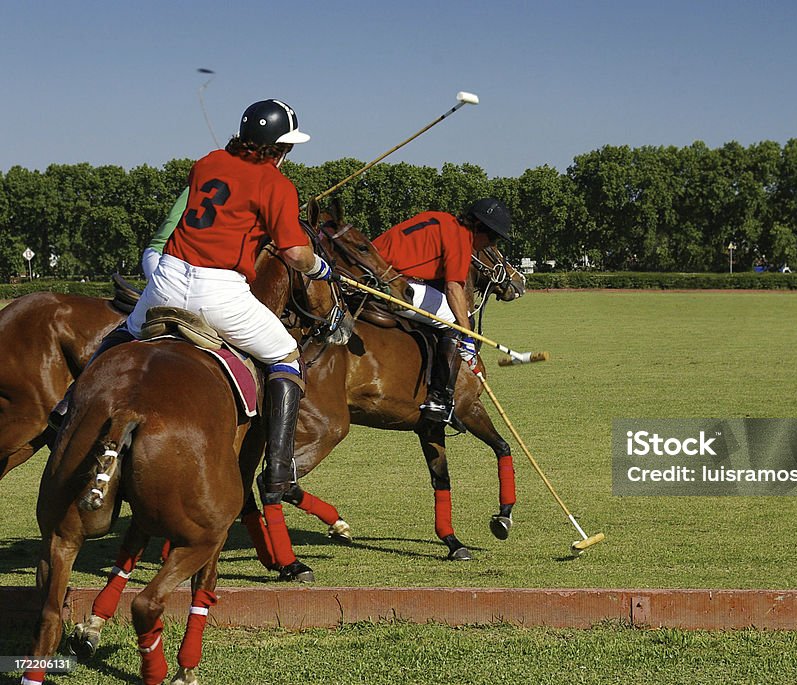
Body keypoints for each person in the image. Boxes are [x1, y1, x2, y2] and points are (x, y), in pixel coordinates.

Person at [64, 99, 331, 581]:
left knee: (125, 332)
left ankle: (67, 407)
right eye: (287, 146)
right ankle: (278, 471)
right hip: (218, 290)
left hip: (166, 278)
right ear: (277, 148)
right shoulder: (277, 183)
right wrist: (319, 266)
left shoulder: (206, 163)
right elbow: (293, 251)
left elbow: (226, 212)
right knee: (286, 355)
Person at [373, 198, 511, 425]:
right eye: (492, 237)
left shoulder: (442, 219)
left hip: (368, 268)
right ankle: (438, 398)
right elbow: (453, 288)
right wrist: (468, 334)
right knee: (456, 317)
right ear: (477, 226)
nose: (489, 244)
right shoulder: (461, 239)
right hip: (388, 281)